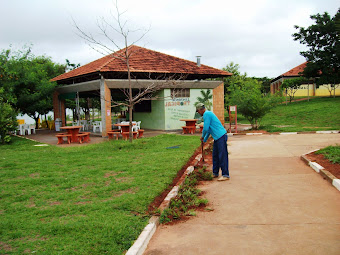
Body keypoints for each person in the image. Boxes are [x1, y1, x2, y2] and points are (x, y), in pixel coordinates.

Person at [196, 103, 230, 181]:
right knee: (215, 155)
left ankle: (225, 175)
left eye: (198, 111)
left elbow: (205, 128)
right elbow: (209, 130)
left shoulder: (207, 114)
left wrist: (202, 136)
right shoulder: (208, 114)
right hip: (217, 138)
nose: (198, 113)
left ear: (201, 109)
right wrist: (204, 140)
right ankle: (215, 173)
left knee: (222, 156)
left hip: (221, 136)